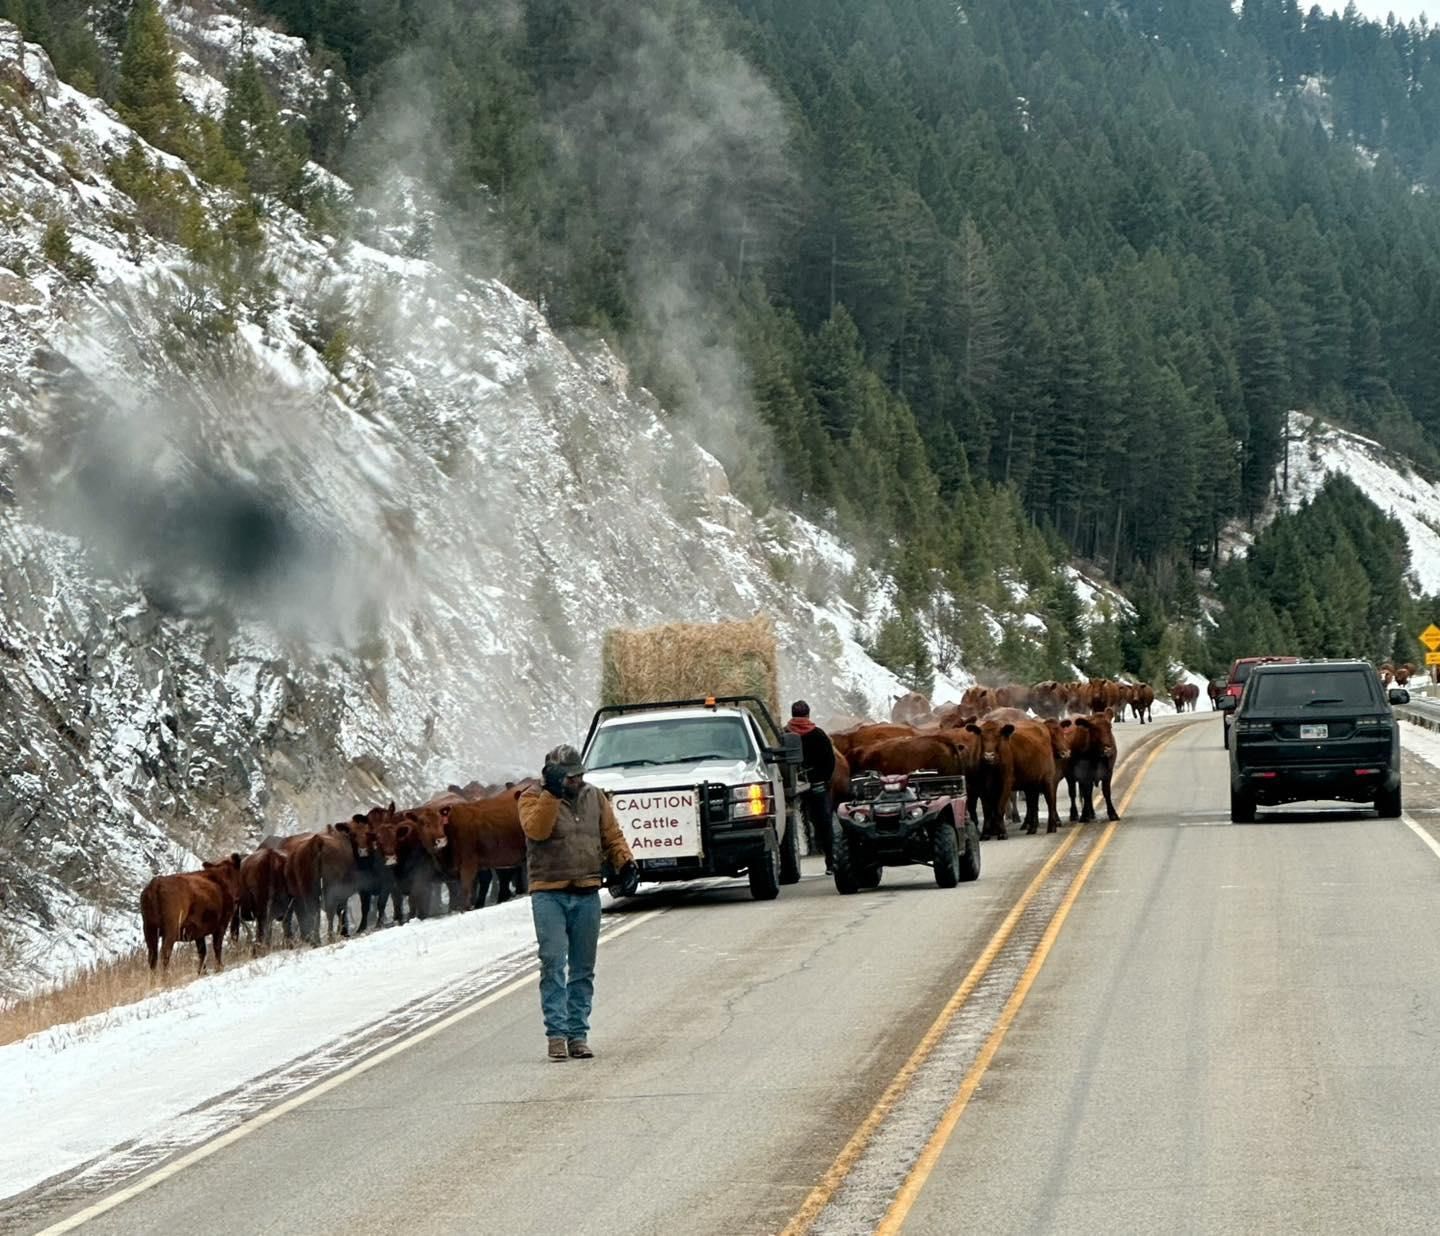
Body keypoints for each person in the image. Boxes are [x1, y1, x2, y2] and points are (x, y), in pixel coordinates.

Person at [518, 744, 636, 1062]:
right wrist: (551, 795)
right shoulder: (531, 798)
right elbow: (537, 831)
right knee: (553, 962)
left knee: (583, 969)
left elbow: (611, 835)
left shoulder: (594, 796)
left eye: (579, 774)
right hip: (549, 893)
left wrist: (625, 863)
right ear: (553, 776)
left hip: (587, 892)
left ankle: (578, 1034)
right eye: (569, 776)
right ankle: (556, 1035)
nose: (577, 780)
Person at [784, 701, 837, 874]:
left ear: (792, 714)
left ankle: (789, 865)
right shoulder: (818, 734)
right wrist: (823, 780)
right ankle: (830, 862)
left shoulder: (784, 734)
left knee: (789, 822)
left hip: (792, 787)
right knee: (824, 823)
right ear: (808, 714)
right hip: (817, 785)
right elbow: (830, 761)